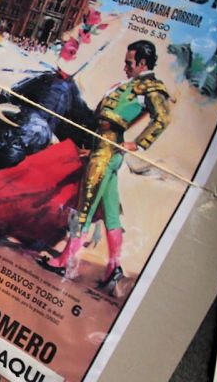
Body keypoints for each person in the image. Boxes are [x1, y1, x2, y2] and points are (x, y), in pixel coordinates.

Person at [38, 40, 172, 290]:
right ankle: (113, 267)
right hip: (103, 148)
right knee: (110, 212)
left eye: (129, 63)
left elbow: (162, 118)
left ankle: (66, 260)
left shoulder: (150, 87)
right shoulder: (129, 85)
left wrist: (138, 144)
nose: (125, 67)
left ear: (143, 63)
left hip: (108, 151)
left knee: (84, 206)